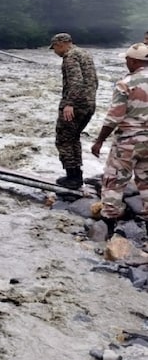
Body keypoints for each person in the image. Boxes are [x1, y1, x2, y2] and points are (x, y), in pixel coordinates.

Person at [91, 43, 148, 229]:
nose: (125, 63)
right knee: (146, 178)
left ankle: (109, 218)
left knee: (115, 178)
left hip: (128, 141)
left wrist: (99, 141)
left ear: (133, 60)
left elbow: (114, 116)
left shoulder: (126, 83)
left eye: (126, 60)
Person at [51, 32, 97, 189]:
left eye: (55, 48)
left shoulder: (70, 57)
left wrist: (70, 103)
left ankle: (73, 177)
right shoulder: (84, 54)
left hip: (76, 105)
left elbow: (76, 81)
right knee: (74, 138)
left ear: (61, 44)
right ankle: (77, 175)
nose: (55, 52)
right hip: (89, 104)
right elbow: (93, 81)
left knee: (63, 139)